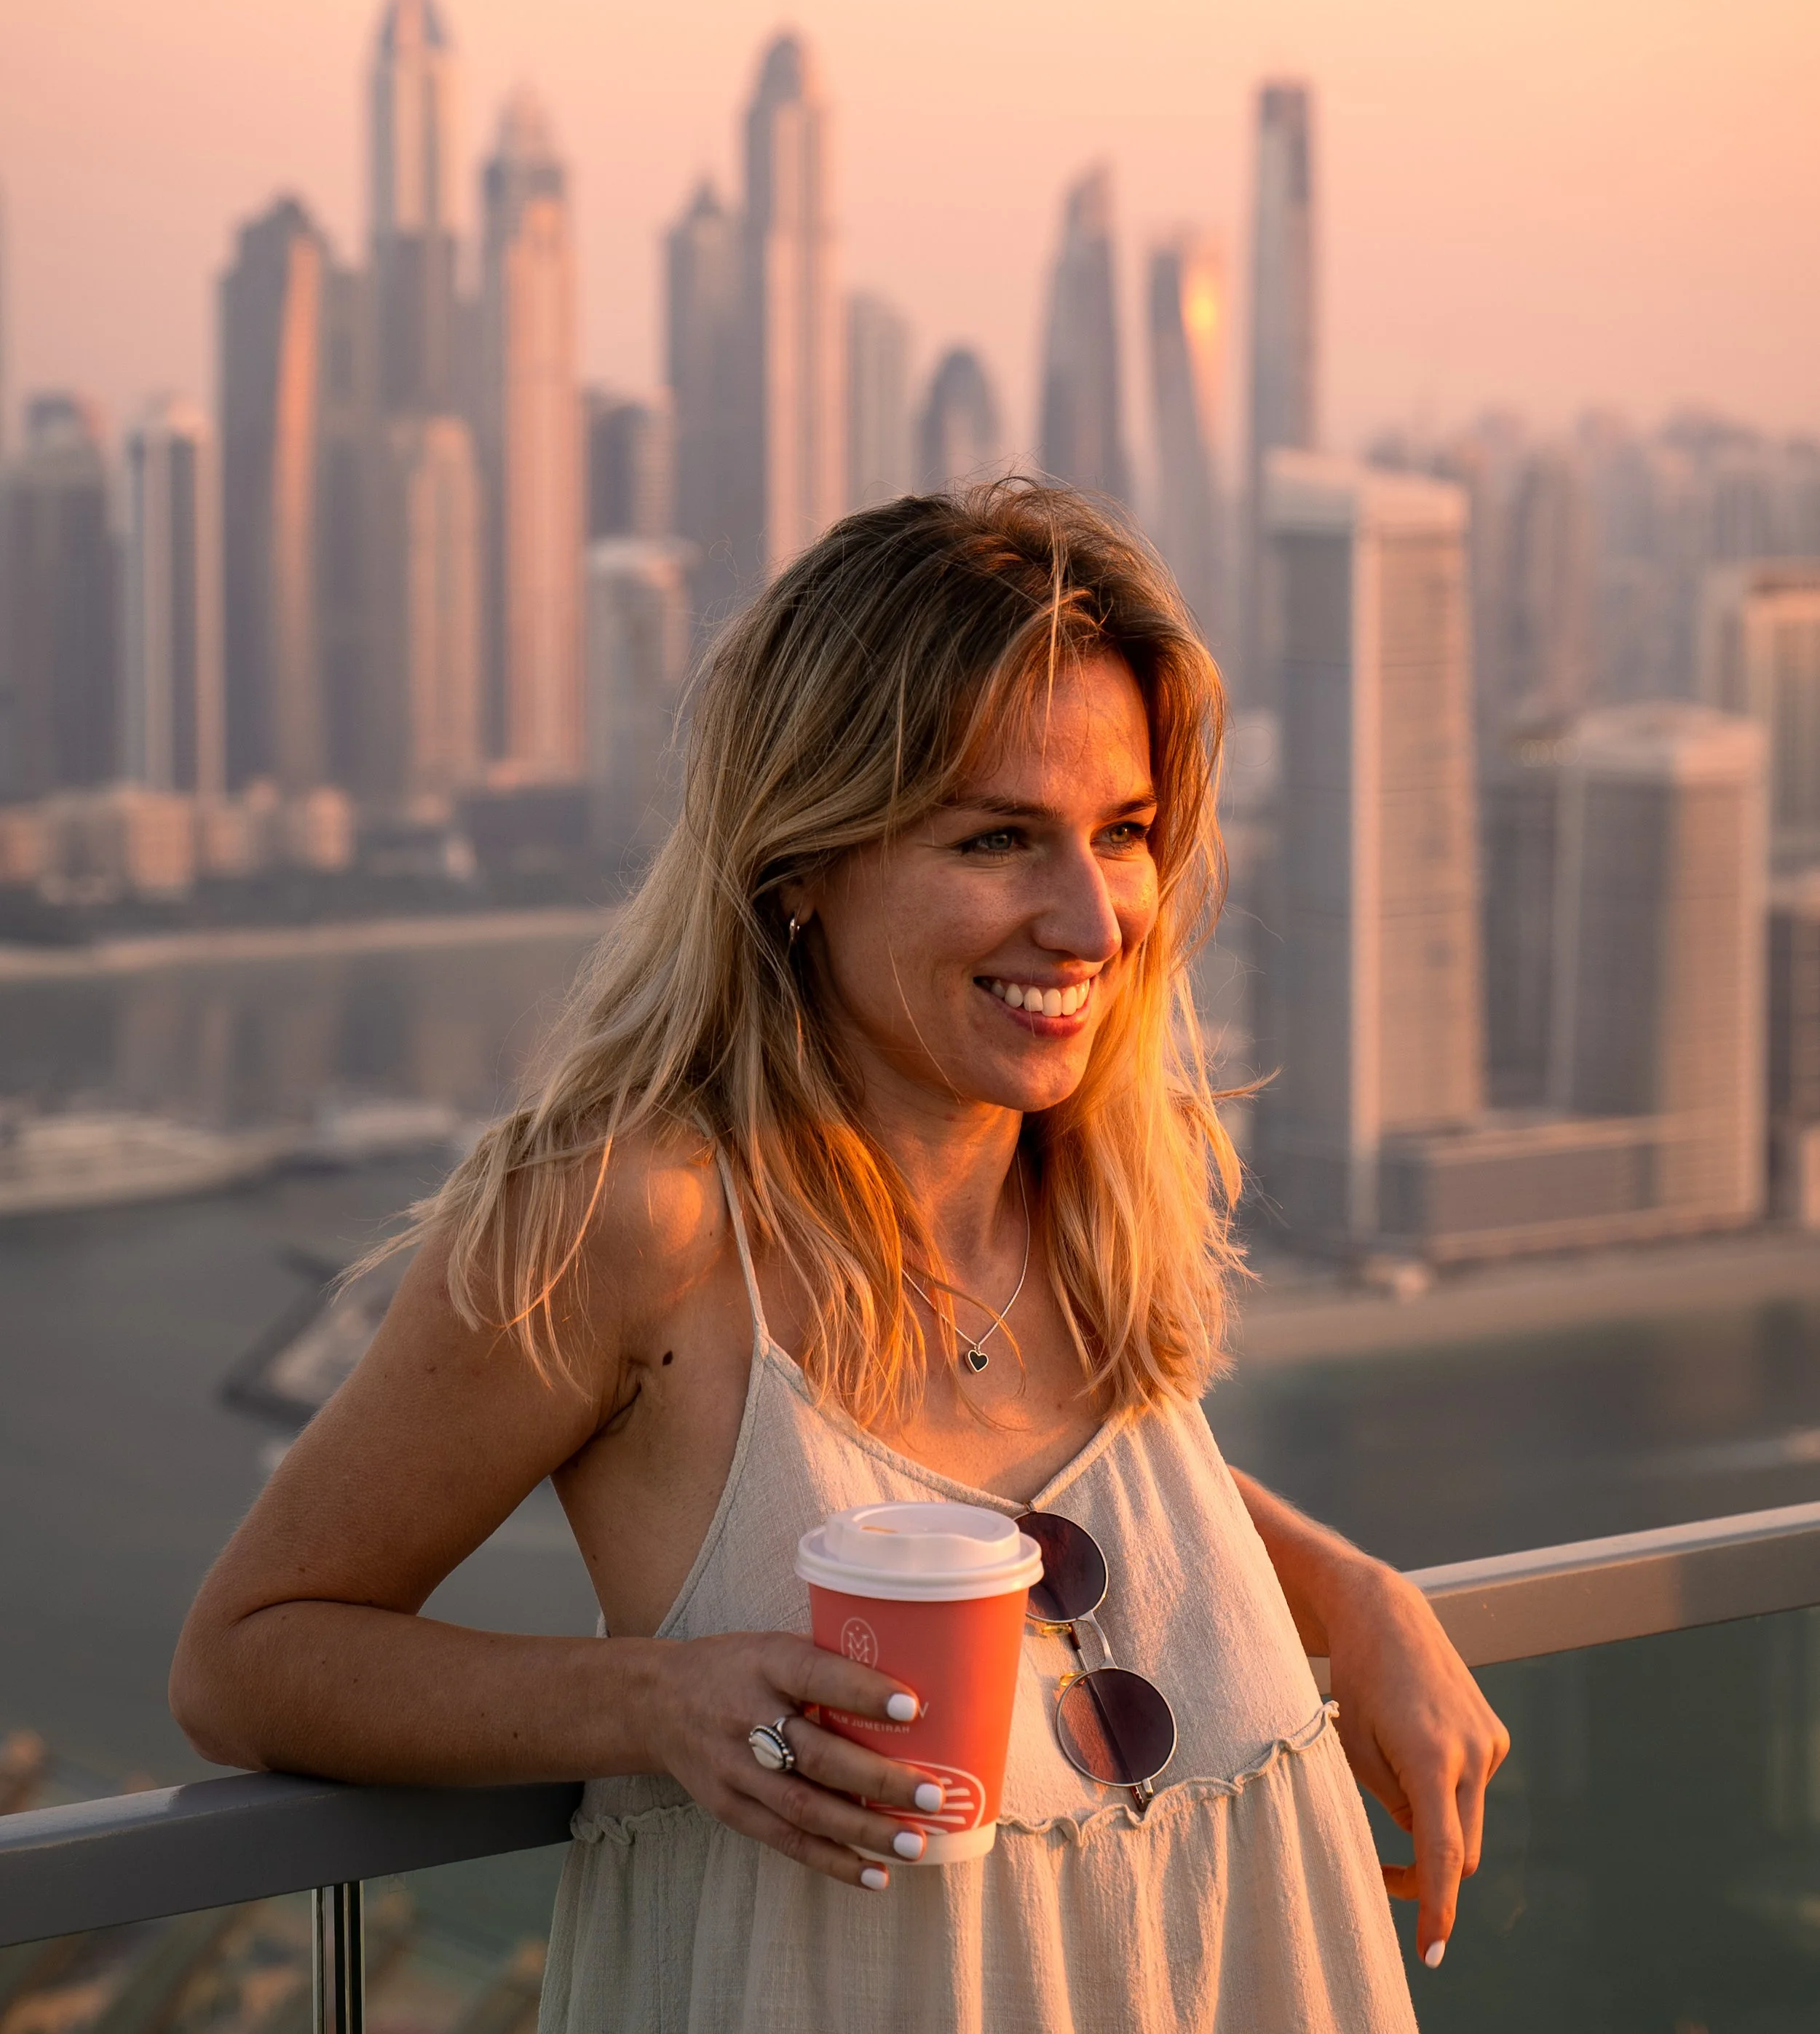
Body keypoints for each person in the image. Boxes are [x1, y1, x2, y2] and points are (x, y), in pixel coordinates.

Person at [172, 482, 1506, 2034]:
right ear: (799, 859)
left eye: (1123, 831)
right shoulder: (635, 1217)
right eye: (997, 835)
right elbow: (246, 1657)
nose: (1090, 917)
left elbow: (1021, 1490)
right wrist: (654, 1702)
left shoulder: (1085, 1186)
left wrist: (1348, 1590)